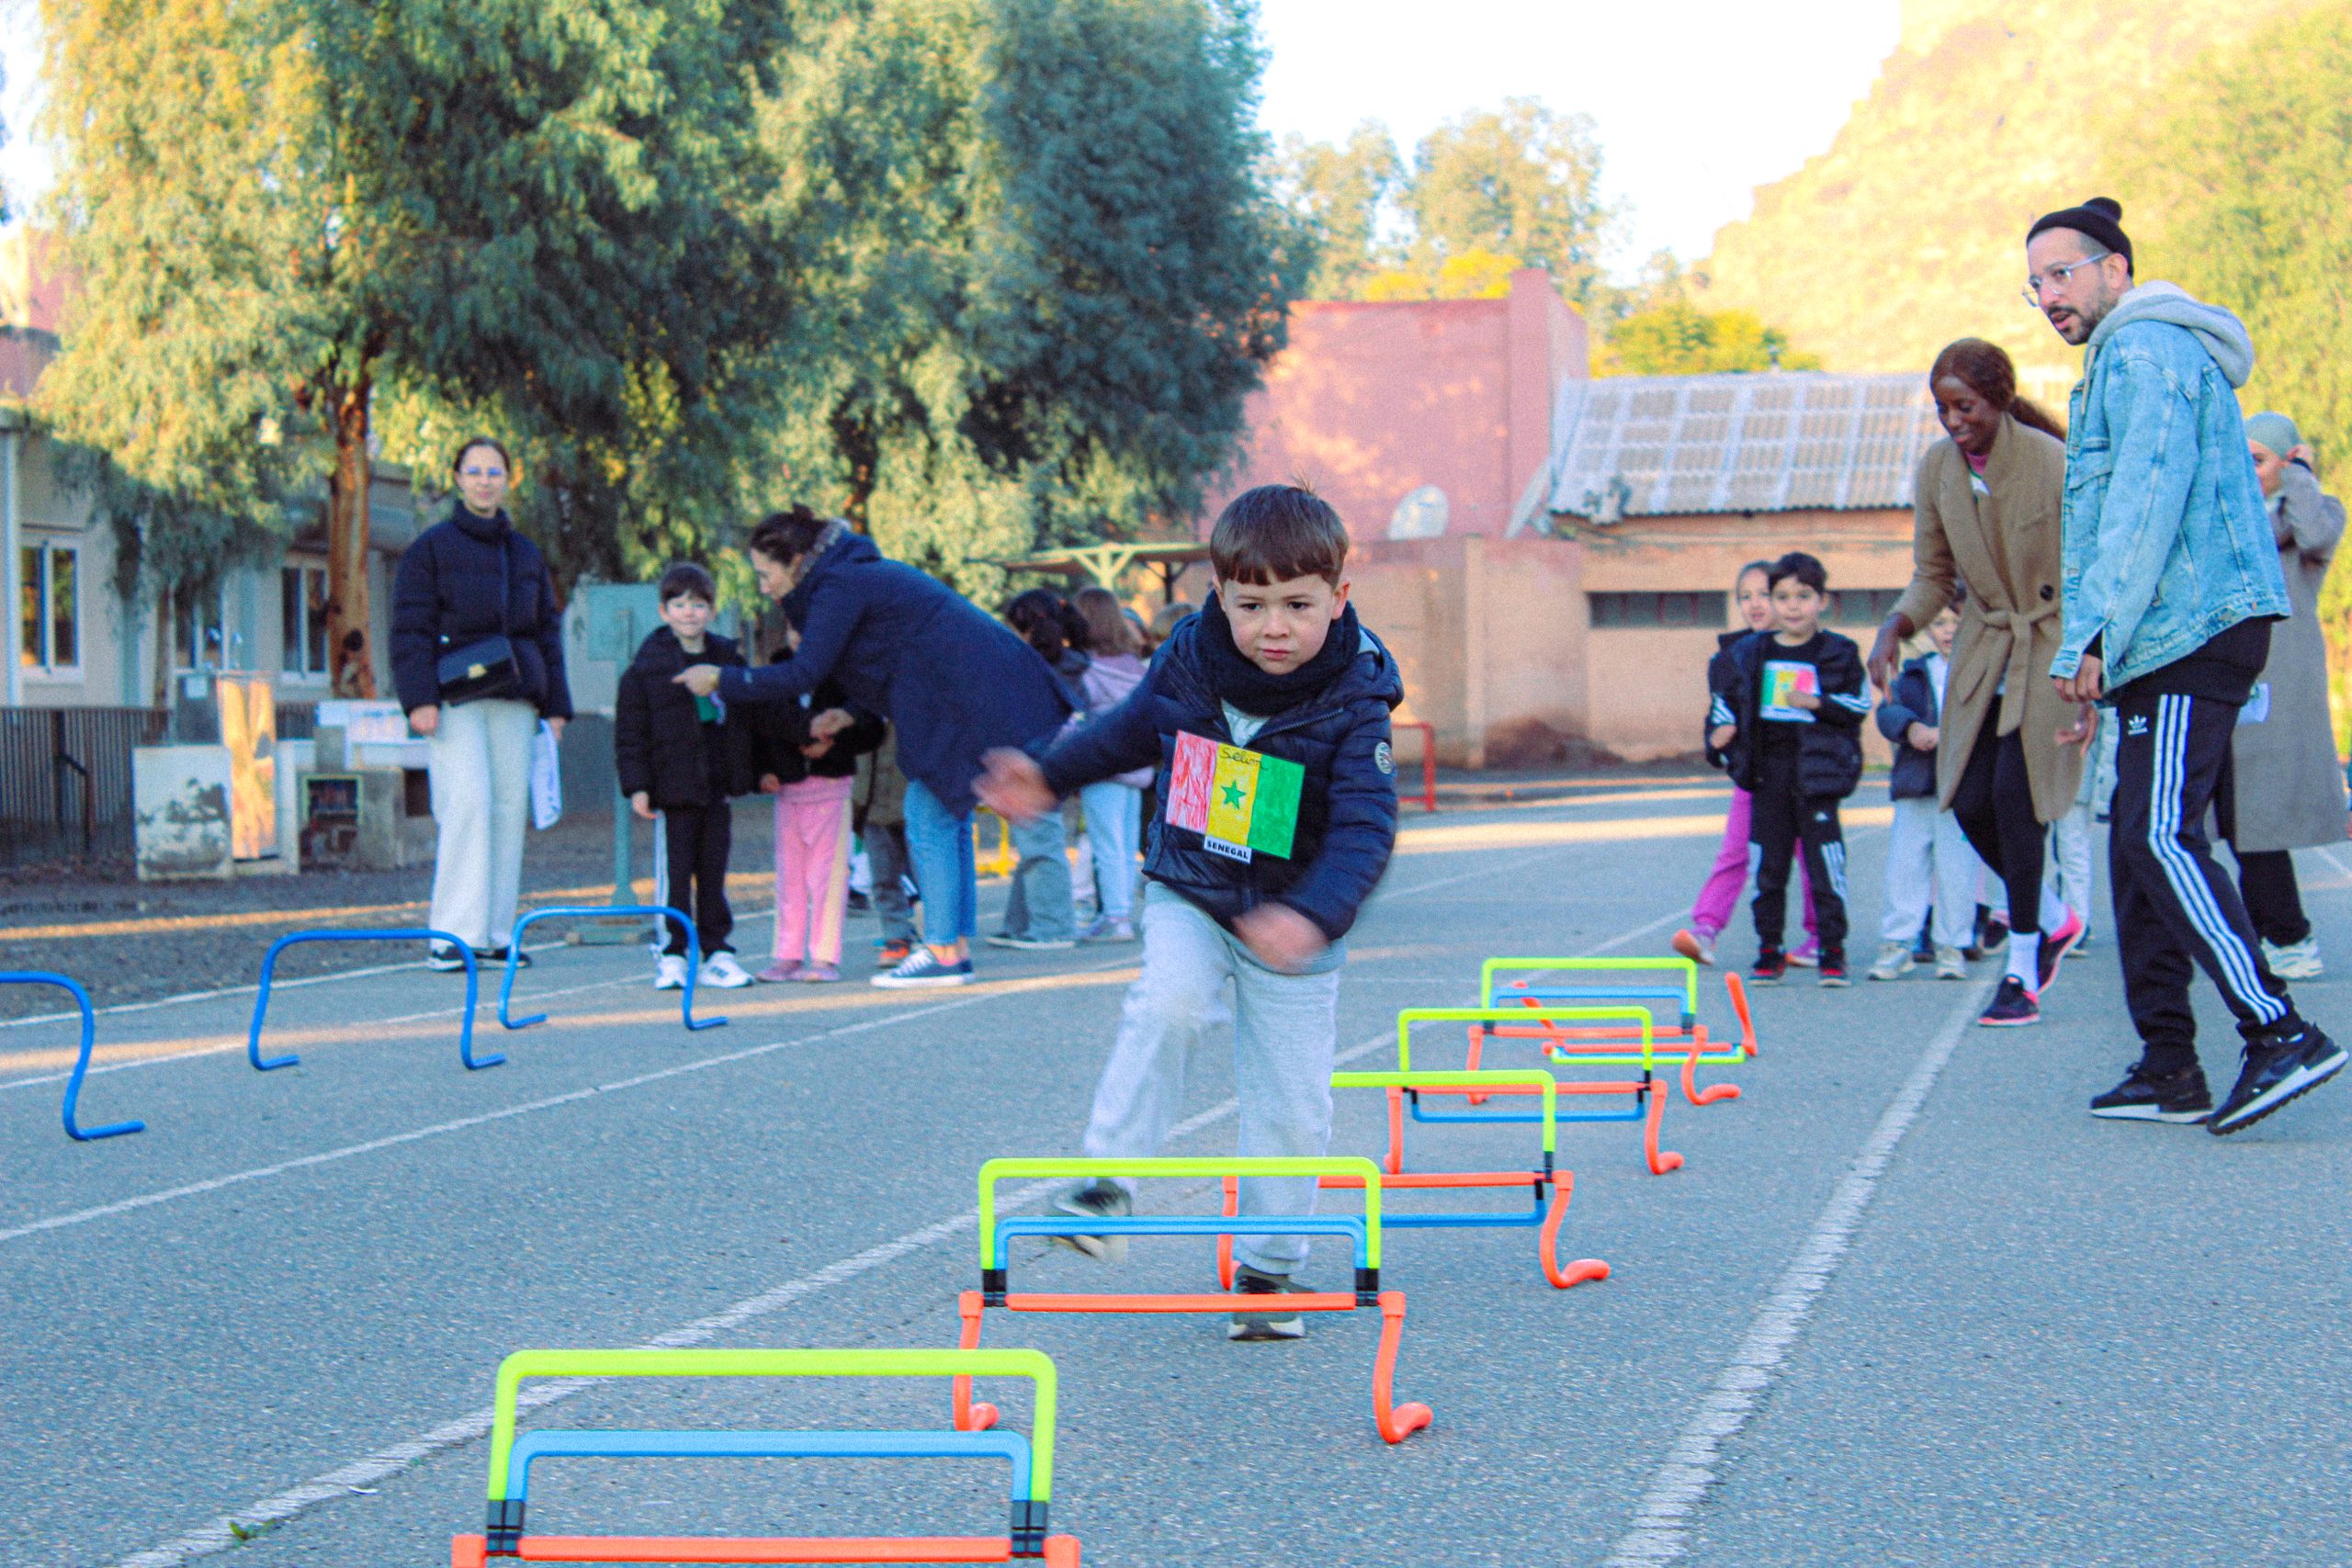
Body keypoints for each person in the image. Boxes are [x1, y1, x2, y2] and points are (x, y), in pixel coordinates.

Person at [977, 484, 1402, 1341]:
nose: (1273, 627)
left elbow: (1365, 829)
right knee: (1167, 1002)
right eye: (1250, 605)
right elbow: (1129, 732)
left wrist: (1312, 915)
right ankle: (1104, 1186)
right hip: (1194, 886)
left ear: (1338, 598)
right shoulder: (1190, 659)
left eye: (1297, 606)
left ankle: (1273, 1266)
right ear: (1219, 594)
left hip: (1294, 918)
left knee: (1290, 1100)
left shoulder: (1357, 699)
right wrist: (1050, 775)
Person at [2028, 196, 2344, 1132]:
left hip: (2190, 629)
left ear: (2114, 268)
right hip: (2158, 635)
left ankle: (2275, 1031)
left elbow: (2142, 499)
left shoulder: (2143, 350)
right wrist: (2105, 659)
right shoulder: (2126, 354)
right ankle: (2169, 1063)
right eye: (2035, 281)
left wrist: (2088, 635)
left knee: (2158, 835)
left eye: (2063, 272)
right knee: (2138, 843)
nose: (2048, 293)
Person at [678, 508, 1072, 989]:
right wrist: (850, 713)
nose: (763, 587)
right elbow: (880, 660)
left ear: (797, 560)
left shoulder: (839, 584)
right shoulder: (850, 576)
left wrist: (723, 678)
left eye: (766, 574)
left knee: (929, 812)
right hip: (968, 691)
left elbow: (805, 672)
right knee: (943, 812)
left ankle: (945, 952)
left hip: (964, 695)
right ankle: (952, 947)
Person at [1867, 338, 2088, 1027]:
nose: (1954, 420)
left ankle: (2022, 966)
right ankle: (2054, 917)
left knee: (2017, 802)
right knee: (1964, 800)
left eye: (1965, 406)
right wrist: (1895, 629)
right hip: (1982, 646)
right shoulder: (1937, 469)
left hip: (2049, 644)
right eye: (1943, 409)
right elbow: (1934, 573)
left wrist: (2091, 656)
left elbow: (2085, 569)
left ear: (1998, 397)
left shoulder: (2052, 463)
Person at [390, 437, 571, 972]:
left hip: (515, 698)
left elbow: (546, 630)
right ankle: (452, 936)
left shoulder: (525, 553)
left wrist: (556, 705)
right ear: (457, 478)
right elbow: (410, 630)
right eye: (475, 471)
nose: (485, 481)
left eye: (495, 472)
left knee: (507, 811)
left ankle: (493, 934)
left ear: (508, 480)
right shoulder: (431, 549)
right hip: (457, 699)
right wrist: (419, 699)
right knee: (466, 806)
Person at [2226, 413, 2346, 981]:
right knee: (2226, 819)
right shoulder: (2225, 520)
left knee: (2258, 817)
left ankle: (2290, 937)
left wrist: (2299, 476)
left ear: (2286, 461)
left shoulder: (2311, 524)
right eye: (2241, 458)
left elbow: (2318, 532)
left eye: (2260, 460)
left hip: (2275, 689)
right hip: (2221, 678)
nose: (2249, 471)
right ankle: (2264, 934)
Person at [1715, 552, 1867, 987]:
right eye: (1782, 597)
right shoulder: (1751, 652)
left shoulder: (1838, 652)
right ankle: (1769, 950)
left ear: (1822, 600)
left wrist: (1818, 702)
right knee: (1769, 868)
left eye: (1803, 596)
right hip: (1768, 776)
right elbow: (1727, 699)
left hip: (1817, 778)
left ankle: (1832, 951)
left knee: (1825, 869)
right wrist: (1722, 729)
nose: (1792, 606)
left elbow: (1858, 705)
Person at [613, 562, 757, 990]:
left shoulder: (727, 660)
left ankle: (717, 951)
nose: (689, 613)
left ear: (712, 610)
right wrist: (638, 786)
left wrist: (753, 771)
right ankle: (673, 952)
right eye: (679, 605)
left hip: (715, 783)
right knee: (676, 873)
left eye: (698, 604)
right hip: (672, 787)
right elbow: (631, 733)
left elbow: (749, 718)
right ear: (664, 612)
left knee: (713, 871)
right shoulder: (647, 669)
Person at [1677, 559, 1816, 968]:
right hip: (1755, 775)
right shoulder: (1729, 658)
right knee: (1735, 850)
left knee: (1810, 856)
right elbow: (1719, 715)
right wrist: (1718, 738)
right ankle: (1705, 929)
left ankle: (1820, 936)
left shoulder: (1806, 650)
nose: (1754, 604)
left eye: (1762, 595)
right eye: (1745, 596)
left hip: (1802, 773)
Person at [751, 617, 884, 984]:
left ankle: (824, 957)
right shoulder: (776, 673)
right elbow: (764, 725)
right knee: (789, 878)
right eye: (795, 630)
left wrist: (835, 740)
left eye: (811, 631)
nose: (801, 638)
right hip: (788, 792)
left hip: (831, 790)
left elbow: (870, 726)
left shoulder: (846, 674)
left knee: (827, 878)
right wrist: (763, 770)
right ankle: (787, 955)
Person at [1871, 606, 1975, 981]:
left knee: (1957, 869)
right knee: (1905, 865)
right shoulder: (1914, 672)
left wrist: (1953, 736)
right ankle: (1898, 943)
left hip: (1961, 788)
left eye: (1956, 622)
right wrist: (1912, 728)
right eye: (1940, 622)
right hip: (1916, 784)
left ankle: (1953, 945)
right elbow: (1888, 711)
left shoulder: (1980, 671)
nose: (1948, 631)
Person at [991, 589, 1088, 951]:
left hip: (1037, 763)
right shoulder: (1071, 662)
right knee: (1033, 843)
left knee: (1041, 845)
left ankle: (1054, 927)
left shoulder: (1030, 665)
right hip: (1054, 759)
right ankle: (1019, 923)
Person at [1069, 585, 1152, 942]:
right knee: (1124, 843)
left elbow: (1076, 717)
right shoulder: (1135, 665)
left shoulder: (1086, 668)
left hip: (1101, 764)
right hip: (1136, 765)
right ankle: (1119, 913)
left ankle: (1115, 917)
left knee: (1104, 844)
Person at [854, 728, 921, 970]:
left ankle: (937, 936)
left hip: (917, 800)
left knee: (928, 877)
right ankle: (896, 936)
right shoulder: (866, 704)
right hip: (873, 802)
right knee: (883, 877)